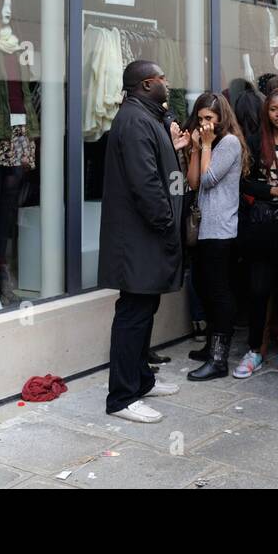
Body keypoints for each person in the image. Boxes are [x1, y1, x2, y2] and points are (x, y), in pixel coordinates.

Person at [98, 60, 186, 423]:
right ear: (147, 84)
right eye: (162, 79)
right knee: (133, 315)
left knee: (144, 311)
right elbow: (145, 182)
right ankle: (122, 397)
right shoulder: (134, 121)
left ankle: (142, 379)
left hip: (147, 236)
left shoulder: (146, 116)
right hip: (140, 237)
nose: (167, 83)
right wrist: (167, 222)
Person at [233, 87, 278, 380]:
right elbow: (244, 183)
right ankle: (254, 350)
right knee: (258, 289)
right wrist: (272, 190)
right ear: (267, 112)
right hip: (261, 228)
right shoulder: (254, 142)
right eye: (274, 109)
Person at [183, 92, 248, 382]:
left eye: (209, 118)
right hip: (204, 227)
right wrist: (197, 149)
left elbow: (209, 180)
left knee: (219, 291)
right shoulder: (209, 143)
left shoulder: (230, 143)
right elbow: (194, 181)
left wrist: (206, 145)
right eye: (200, 119)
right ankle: (211, 345)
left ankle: (219, 358)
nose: (204, 123)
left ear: (221, 118)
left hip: (221, 228)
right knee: (203, 285)